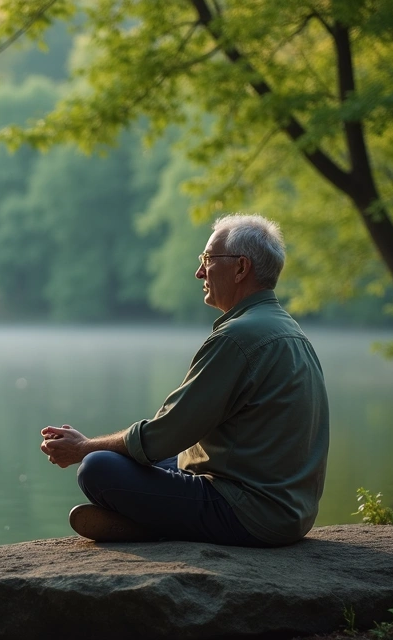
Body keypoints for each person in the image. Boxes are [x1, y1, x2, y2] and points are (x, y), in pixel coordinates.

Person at [40, 214, 329, 546]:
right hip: (291, 511)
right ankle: (152, 520)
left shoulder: (239, 336)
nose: (199, 272)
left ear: (240, 268)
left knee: (98, 467)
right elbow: (175, 444)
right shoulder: (289, 329)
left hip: (250, 514)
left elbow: (164, 435)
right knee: (144, 459)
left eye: (208, 260)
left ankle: (148, 526)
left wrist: (83, 447)